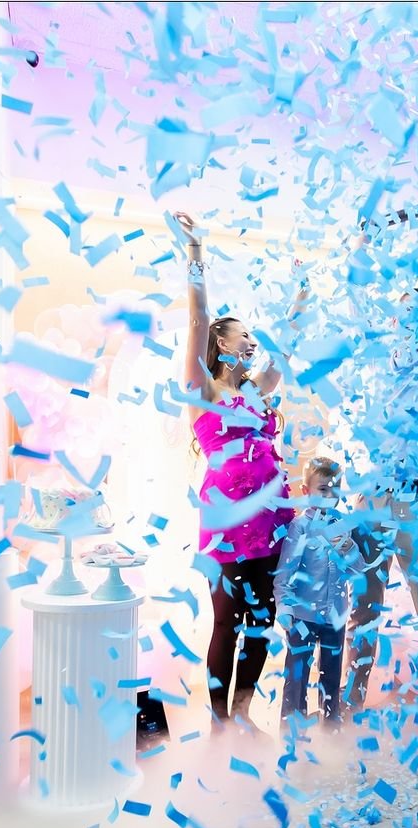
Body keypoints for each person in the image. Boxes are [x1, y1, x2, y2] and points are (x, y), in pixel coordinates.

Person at [178, 212, 294, 728]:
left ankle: (243, 713)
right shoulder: (203, 389)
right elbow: (198, 316)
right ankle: (219, 721)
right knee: (226, 621)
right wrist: (195, 250)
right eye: (244, 335)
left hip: (269, 517)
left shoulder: (256, 390)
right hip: (226, 520)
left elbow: (283, 349)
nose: (253, 341)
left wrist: (302, 293)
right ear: (222, 344)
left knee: (262, 619)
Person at [347, 286, 418, 710]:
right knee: (363, 607)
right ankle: (348, 704)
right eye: (405, 309)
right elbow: (358, 317)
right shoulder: (383, 361)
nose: (412, 316)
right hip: (374, 495)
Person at [275, 457, 366, 723]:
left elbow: (358, 570)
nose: (330, 495)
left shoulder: (343, 525)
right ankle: (293, 729)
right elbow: (285, 573)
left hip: (335, 615)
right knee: (297, 676)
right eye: (323, 489)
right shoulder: (299, 527)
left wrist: (348, 549)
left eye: (335, 489)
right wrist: (284, 607)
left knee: (331, 674)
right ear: (306, 491)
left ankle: (330, 726)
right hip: (303, 615)